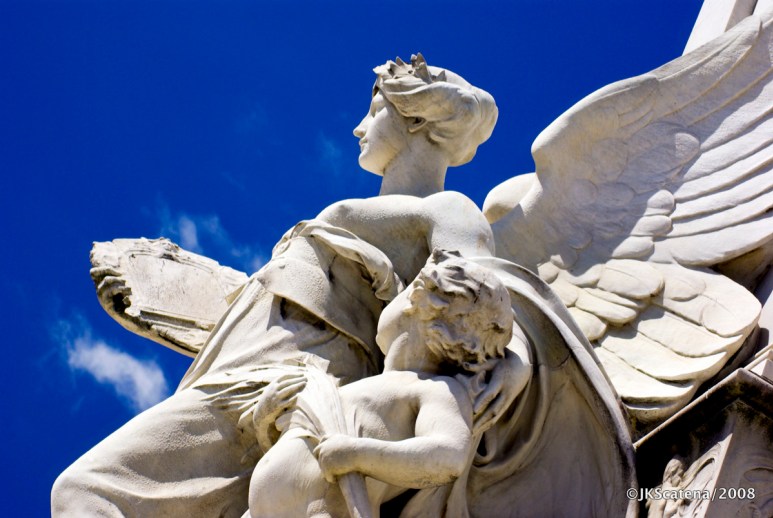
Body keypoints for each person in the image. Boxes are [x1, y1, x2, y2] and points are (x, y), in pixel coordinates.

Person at [51, 54, 518, 517]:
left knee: (86, 492)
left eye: (375, 112)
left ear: (414, 117)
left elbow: (483, 300)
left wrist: (512, 363)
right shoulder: (372, 210)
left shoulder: (449, 210)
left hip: (297, 380)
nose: (360, 128)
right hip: (241, 367)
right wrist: (161, 295)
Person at [247, 250, 514, 518]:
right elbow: (305, 449)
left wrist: (357, 455)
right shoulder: (360, 387)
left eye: (404, 292)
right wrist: (264, 422)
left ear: (424, 308)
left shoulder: (436, 389)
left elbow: (448, 455)